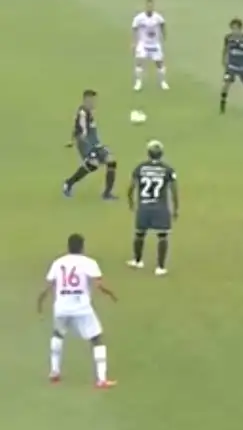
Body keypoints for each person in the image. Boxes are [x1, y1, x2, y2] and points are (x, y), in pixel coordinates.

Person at [37, 233, 118, 388]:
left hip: (61, 306)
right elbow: (99, 285)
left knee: (58, 334)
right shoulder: (89, 262)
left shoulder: (58, 262)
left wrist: (40, 302)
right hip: (81, 307)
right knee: (96, 339)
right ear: (82, 247)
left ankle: (54, 371)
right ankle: (101, 379)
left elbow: (47, 286)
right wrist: (112, 295)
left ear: (68, 247)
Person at [127, 140, 179, 276]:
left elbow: (131, 187)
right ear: (161, 154)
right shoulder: (167, 169)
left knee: (139, 234)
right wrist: (176, 208)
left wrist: (131, 202)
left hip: (144, 206)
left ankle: (137, 261)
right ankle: (160, 267)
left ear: (148, 153)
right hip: (160, 207)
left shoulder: (140, 168)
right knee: (162, 236)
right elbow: (174, 190)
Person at [63, 89, 117, 200]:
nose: (94, 103)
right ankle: (68, 183)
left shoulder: (88, 112)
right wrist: (84, 145)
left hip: (95, 144)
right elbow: (82, 132)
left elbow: (76, 128)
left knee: (111, 161)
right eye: (92, 100)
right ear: (86, 100)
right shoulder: (83, 113)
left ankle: (107, 193)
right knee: (93, 164)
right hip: (86, 144)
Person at [131, 0, 169, 91]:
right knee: (139, 62)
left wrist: (164, 34)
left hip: (155, 44)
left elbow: (163, 24)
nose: (149, 8)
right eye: (148, 6)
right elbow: (134, 28)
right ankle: (138, 82)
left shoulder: (157, 17)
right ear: (146, 7)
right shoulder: (139, 18)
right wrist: (134, 41)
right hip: (143, 44)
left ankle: (163, 82)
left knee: (159, 64)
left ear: (153, 7)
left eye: (151, 6)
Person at [220, 18, 243, 113]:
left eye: (236, 28)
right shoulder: (228, 38)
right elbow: (225, 49)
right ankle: (222, 106)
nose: (234, 31)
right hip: (231, 66)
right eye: (232, 28)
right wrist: (224, 60)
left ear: (240, 28)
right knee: (226, 85)